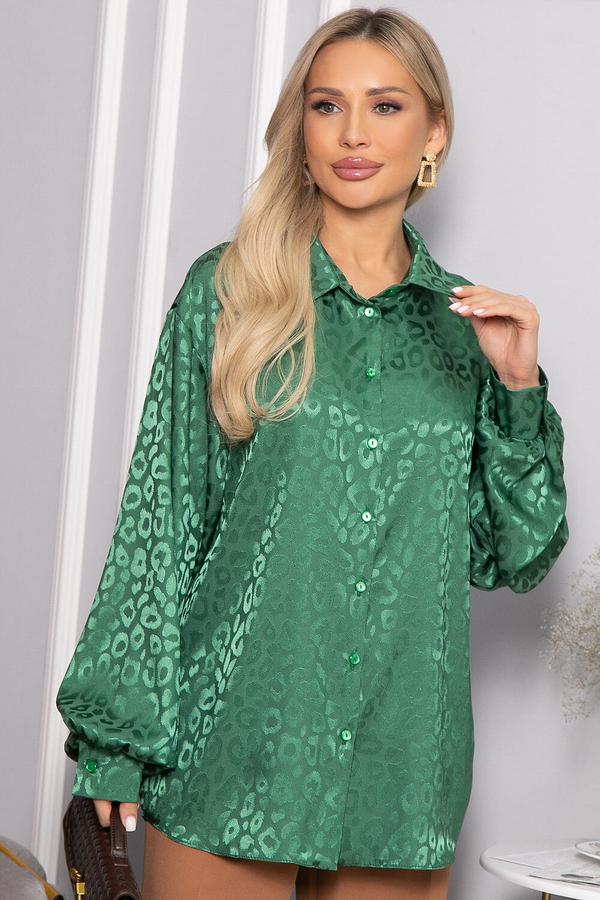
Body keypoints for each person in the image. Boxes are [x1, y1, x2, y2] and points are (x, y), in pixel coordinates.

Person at [55, 7, 569, 899]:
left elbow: (515, 556)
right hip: (231, 760)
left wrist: (519, 389)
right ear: (301, 130)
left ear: (433, 133)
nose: (353, 134)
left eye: (386, 106)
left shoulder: (471, 330)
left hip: (400, 775)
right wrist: (113, 743)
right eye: (327, 106)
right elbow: (160, 525)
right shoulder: (229, 294)